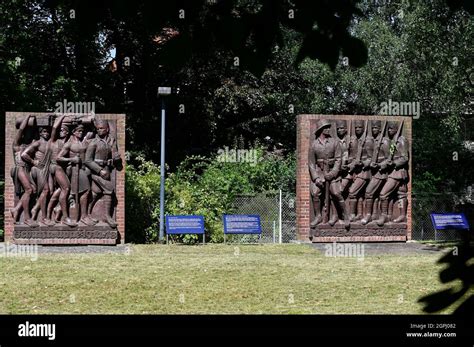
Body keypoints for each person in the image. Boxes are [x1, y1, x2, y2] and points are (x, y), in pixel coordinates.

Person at [308, 119, 350, 228]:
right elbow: (311, 163)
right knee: (315, 192)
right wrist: (316, 178)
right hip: (320, 173)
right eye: (326, 127)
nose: (328, 129)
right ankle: (318, 216)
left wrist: (333, 173)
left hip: (332, 173)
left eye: (328, 127)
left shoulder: (334, 142)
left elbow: (338, 160)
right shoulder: (314, 145)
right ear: (321, 130)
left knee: (336, 192)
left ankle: (345, 215)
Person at [57, 124, 97, 226]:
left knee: (85, 192)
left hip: (84, 169)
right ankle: (83, 217)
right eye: (79, 131)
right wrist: (72, 159)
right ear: (73, 132)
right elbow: (58, 158)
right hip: (75, 170)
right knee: (85, 191)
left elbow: (91, 133)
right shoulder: (69, 144)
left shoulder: (83, 142)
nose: (81, 132)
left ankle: (83, 216)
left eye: (82, 131)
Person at [85, 120, 122, 228]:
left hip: (107, 169)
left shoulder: (111, 140)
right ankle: (107, 216)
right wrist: (99, 171)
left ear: (107, 129)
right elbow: (87, 160)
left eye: (101, 128)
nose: (99, 130)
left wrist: (116, 158)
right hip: (96, 171)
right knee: (109, 189)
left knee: (95, 192)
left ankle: (86, 214)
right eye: (97, 129)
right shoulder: (94, 142)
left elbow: (114, 153)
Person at [46, 115, 77, 226]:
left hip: (62, 169)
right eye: (60, 130)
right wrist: (63, 115)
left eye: (63, 130)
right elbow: (54, 127)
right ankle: (65, 217)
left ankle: (52, 212)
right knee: (66, 188)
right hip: (55, 167)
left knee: (59, 190)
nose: (60, 132)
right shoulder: (54, 140)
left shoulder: (67, 143)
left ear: (67, 132)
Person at [376, 121, 409, 226]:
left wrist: (394, 163)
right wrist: (382, 165)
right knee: (401, 194)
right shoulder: (393, 142)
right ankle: (401, 215)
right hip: (393, 171)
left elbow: (404, 158)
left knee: (383, 194)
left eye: (391, 129)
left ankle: (385, 216)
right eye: (388, 129)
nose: (389, 131)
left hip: (398, 172)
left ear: (396, 129)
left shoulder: (401, 140)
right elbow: (390, 157)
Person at [21, 125, 54, 226]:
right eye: (44, 131)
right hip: (38, 169)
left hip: (46, 169)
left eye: (48, 132)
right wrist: (33, 161)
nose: (46, 133)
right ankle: (43, 218)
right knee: (45, 190)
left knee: (50, 191)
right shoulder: (37, 143)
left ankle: (35, 209)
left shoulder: (49, 143)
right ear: (40, 133)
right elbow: (24, 154)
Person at [360, 120, 390, 225]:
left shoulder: (385, 142)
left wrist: (380, 165)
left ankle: (373, 215)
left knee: (369, 192)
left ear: (380, 129)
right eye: (372, 128)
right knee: (374, 194)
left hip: (380, 173)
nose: (374, 130)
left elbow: (389, 159)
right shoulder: (373, 141)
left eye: (376, 128)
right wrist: (367, 163)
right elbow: (369, 157)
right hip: (372, 172)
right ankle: (373, 215)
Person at [10, 115, 38, 227]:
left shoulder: (29, 145)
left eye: (30, 133)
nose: (28, 135)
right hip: (19, 168)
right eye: (27, 133)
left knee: (33, 190)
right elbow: (21, 129)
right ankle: (27, 218)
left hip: (26, 169)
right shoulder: (17, 144)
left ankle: (16, 209)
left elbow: (36, 138)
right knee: (29, 190)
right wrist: (27, 117)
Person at [346, 120, 371, 221]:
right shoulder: (354, 140)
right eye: (356, 127)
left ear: (363, 128)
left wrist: (363, 163)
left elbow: (371, 158)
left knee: (352, 192)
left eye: (360, 127)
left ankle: (352, 214)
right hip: (355, 172)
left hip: (364, 173)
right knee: (359, 195)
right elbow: (352, 156)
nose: (357, 129)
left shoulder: (368, 141)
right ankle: (360, 214)